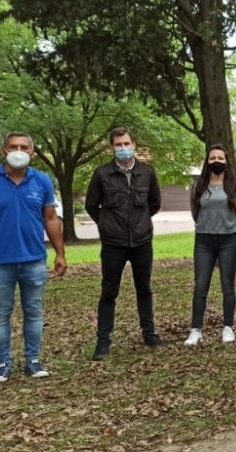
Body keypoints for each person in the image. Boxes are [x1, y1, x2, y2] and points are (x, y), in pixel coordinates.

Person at [0, 132, 67, 382]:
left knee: (33, 311)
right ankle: (3, 363)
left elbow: (51, 219)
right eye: (13, 147)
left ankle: (32, 361)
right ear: (4, 151)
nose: (18, 151)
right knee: (1, 313)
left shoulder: (42, 180)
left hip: (34, 259)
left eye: (24, 147)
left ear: (32, 153)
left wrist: (60, 253)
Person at [85, 127, 162, 361]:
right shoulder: (102, 174)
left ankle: (149, 334)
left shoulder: (147, 173)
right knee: (109, 292)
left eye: (126, 143)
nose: (123, 148)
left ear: (134, 144)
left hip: (141, 242)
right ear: (112, 148)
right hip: (113, 244)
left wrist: (140, 224)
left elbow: (154, 203)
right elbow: (91, 205)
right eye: (118, 145)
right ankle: (103, 341)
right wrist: (107, 224)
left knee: (144, 289)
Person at [183, 145, 236, 346]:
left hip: (229, 241)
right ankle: (196, 330)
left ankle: (228, 328)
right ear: (207, 161)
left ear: (227, 161)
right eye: (212, 158)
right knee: (200, 286)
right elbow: (195, 212)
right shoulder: (198, 186)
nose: (216, 161)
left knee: (228, 287)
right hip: (204, 241)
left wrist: (228, 227)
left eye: (220, 157)